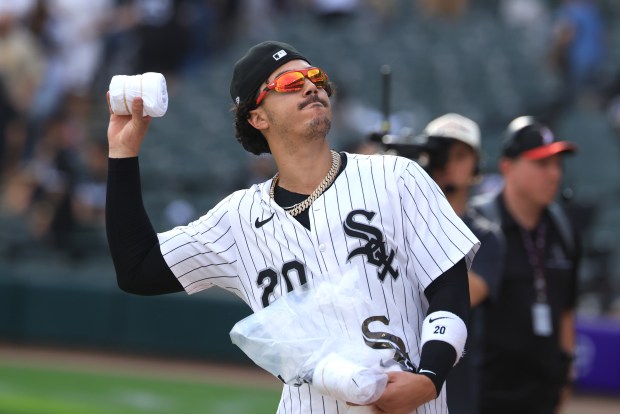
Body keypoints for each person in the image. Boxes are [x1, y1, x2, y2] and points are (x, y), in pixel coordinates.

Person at [105, 40, 479, 414]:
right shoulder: (237, 220)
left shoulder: (396, 177)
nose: (310, 85)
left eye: (314, 76)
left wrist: (430, 377)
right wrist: (123, 154)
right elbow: (137, 268)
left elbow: (449, 286)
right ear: (257, 117)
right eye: (288, 82)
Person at [473, 116, 580, 414]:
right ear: (508, 166)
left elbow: (567, 309)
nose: (554, 175)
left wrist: (566, 372)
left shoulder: (563, 228)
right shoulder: (477, 226)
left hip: (542, 394)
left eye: (557, 164)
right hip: (484, 393)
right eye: (541, 164)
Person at [404, 113, 504, 414]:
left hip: (454, 377)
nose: (449, 163)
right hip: (398, 360)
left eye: (461, 155)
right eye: (441, 154)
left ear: (476, 165)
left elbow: (461, 294)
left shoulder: (486, 234)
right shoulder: (401, 220)